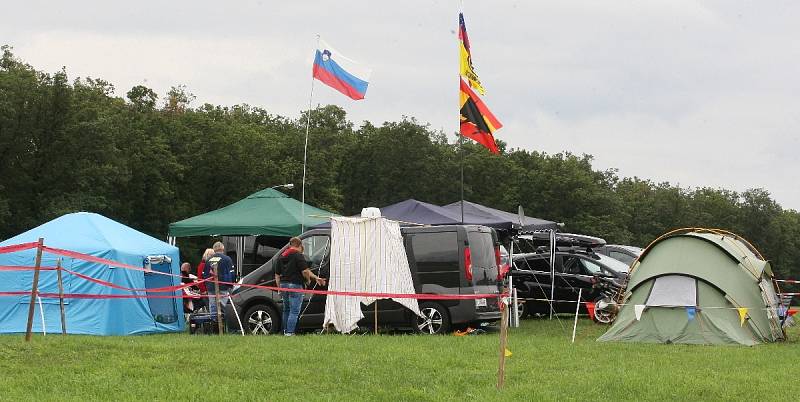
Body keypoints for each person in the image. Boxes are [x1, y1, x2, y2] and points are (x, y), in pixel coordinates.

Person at [275, 237, 326, 336]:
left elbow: (277, 275)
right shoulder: (298, 255)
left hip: (283, 285)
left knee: (286, 309)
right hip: (295, 285)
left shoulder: (281, 256)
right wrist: (308, 280)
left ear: (290, 245)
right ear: (299, 245)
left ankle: (285, 331)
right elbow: (305, 271)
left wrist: (279, 289)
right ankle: (290, 333)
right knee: (294, 311)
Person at [204, 242, 236, 315]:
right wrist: (232, 284)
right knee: (226, 306)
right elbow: (232, 273)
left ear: (214, 249)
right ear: (223, 249)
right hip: (224, 286)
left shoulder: (208, 260)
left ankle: (214, 323)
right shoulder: (227, 259)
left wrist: (208, 285)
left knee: (213, 306)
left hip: (211, 287)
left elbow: (205, 275)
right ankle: (227, 322)